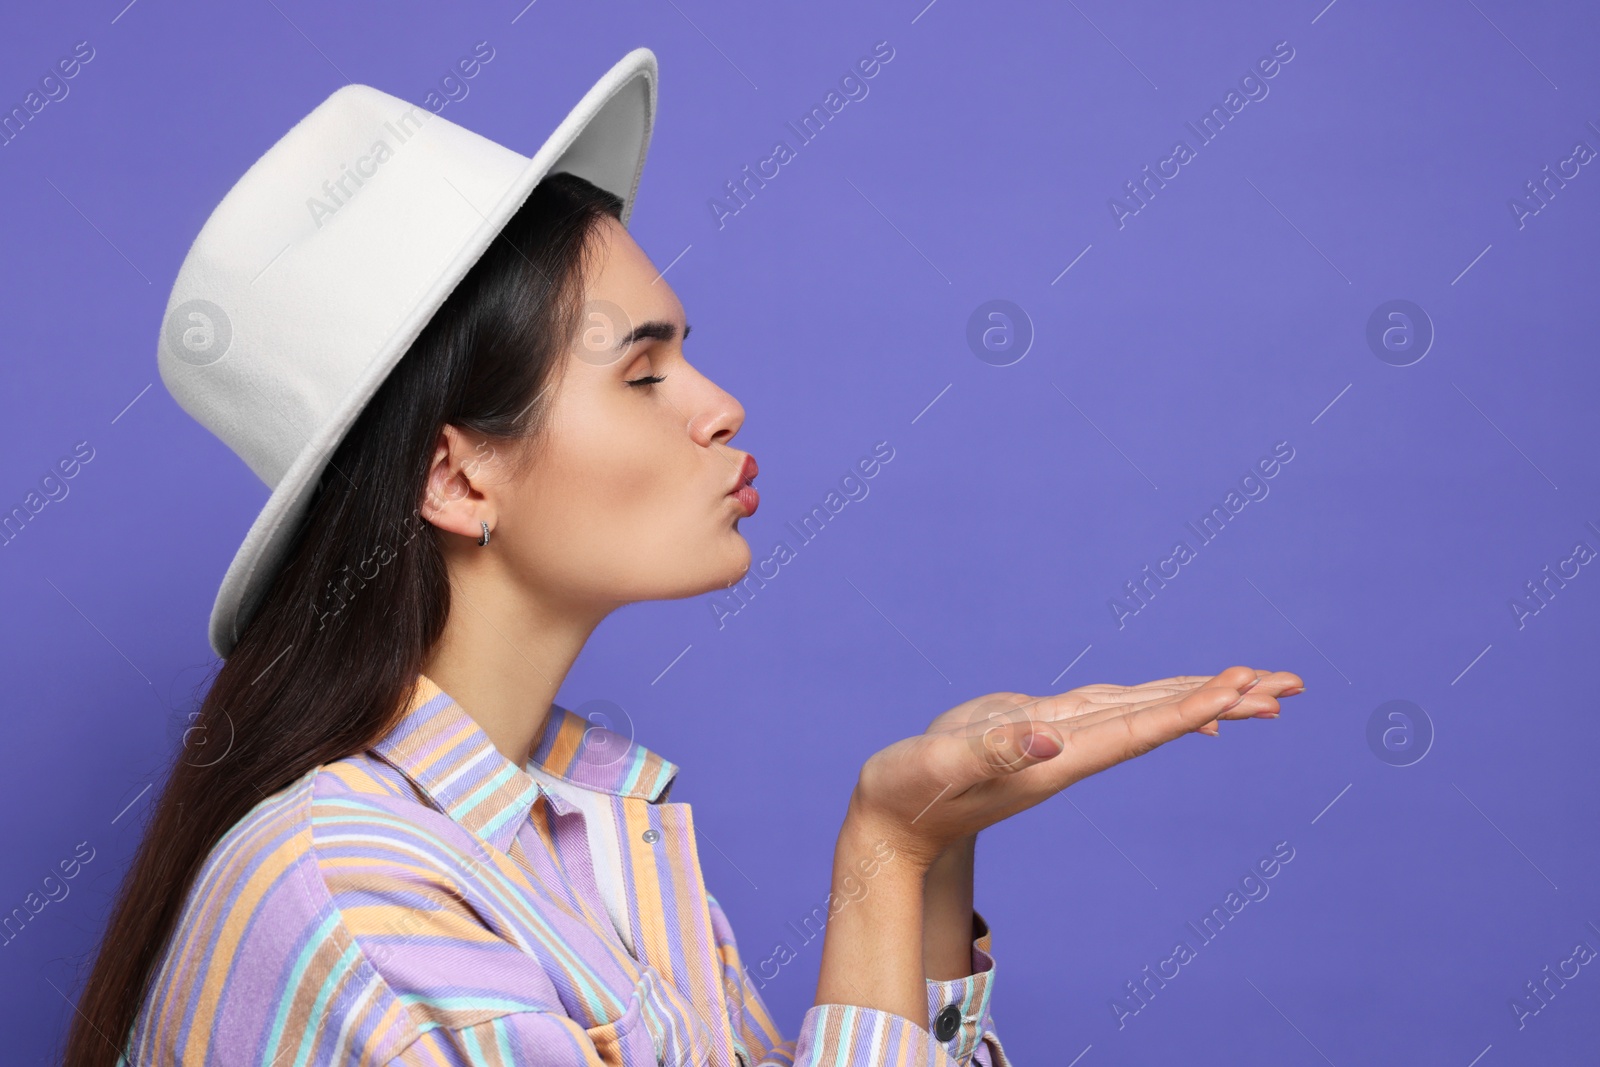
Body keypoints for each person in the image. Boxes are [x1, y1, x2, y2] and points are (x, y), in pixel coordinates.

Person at [63, 50, 1303, 1067]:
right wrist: (882, 859)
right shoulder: (356, 901)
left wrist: (925, 858)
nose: (721, 406)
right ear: (455, 475)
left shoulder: (585, 842)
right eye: (642, 372)